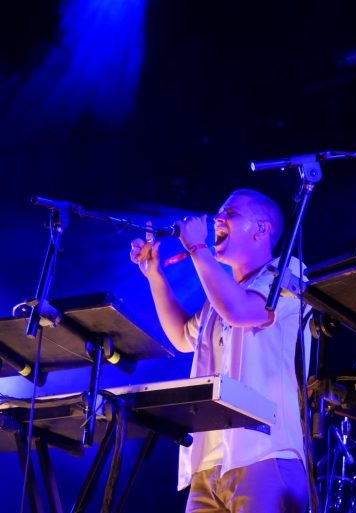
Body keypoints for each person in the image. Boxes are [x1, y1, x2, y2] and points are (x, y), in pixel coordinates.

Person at [129, 189, 310, 513]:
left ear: (261, 229)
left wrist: (198, 248)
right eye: (220, 212)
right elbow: (182, 337)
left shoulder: (288, 272)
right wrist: (154, 276)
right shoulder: (221, 296)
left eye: (231, 214)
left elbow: (242, 311)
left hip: (265, 452)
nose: (218, 219)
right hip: (210, 462)